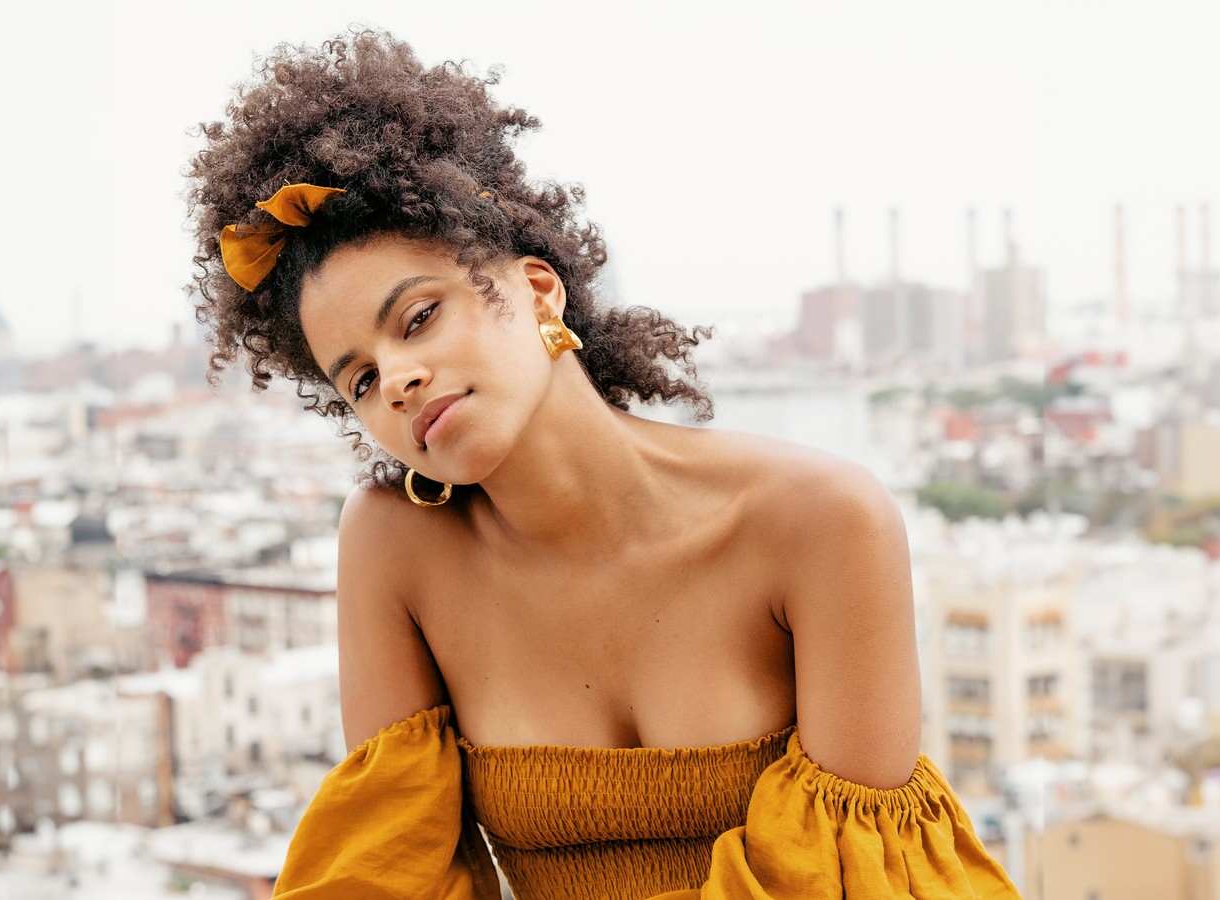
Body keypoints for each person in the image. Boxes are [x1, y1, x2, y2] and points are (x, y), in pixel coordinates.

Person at [185, 28, 1021, 900]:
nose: (395, 379)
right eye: (356, 378)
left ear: (538, 289)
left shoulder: (821, 522)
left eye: (419, 317)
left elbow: (858, 884)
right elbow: (388, 880)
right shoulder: (397, 547)